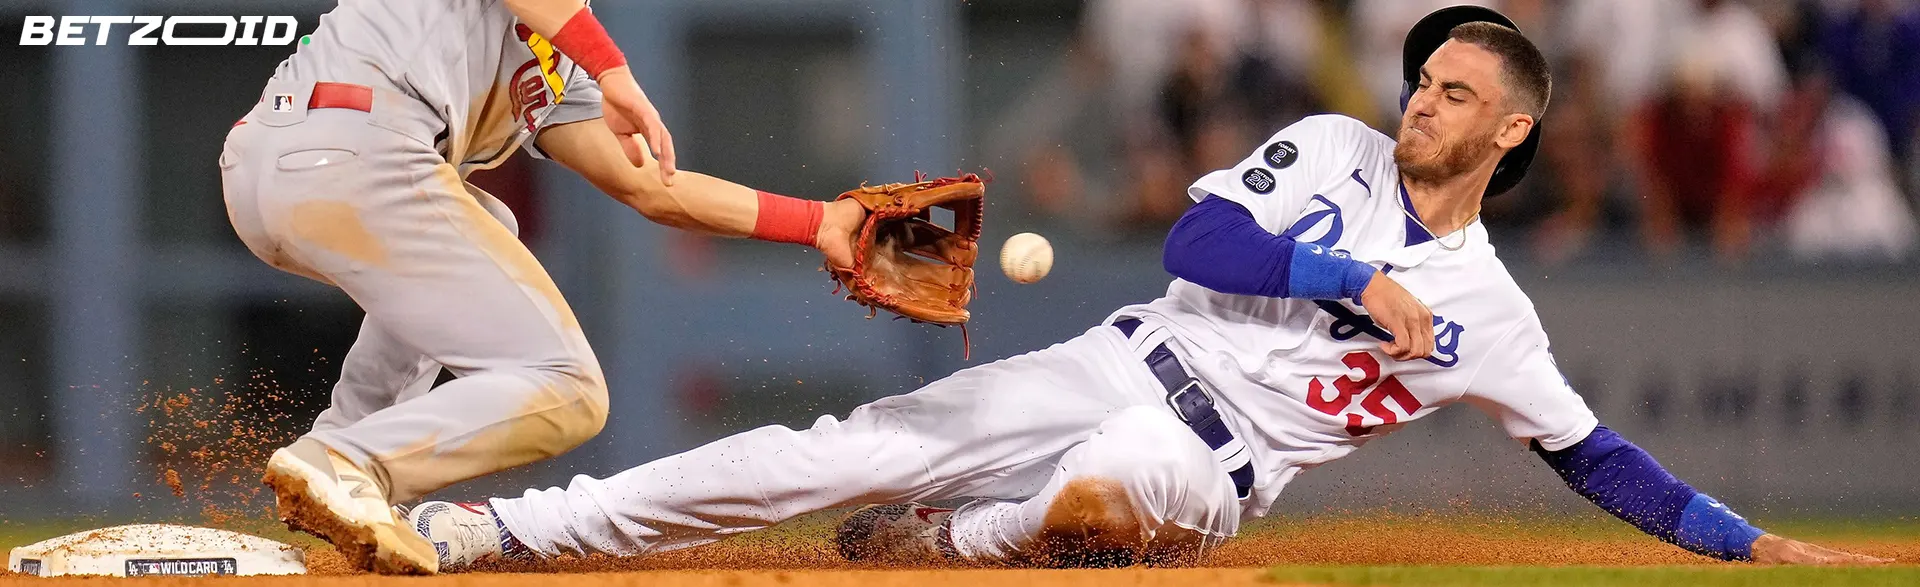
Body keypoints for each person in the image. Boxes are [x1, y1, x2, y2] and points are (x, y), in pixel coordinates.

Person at [402, 7, 1888, 571]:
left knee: (1101, 497)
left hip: (1207, 458)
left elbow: (1592, 452)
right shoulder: (1332, 150)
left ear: (1512, 131)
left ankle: (953, 540)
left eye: (1458, 92)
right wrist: (1349, 272)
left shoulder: (1496, 314)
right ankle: (501, 528)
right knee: (824, 448)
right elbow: (1200, 252)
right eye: (1424, 75)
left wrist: (1749, 543)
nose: (1423, 100)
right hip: (1115, 354)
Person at [221, 0, 866, 574]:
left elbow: (647, 186)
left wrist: (818, 223)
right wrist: (614, 69)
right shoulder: (574, 36)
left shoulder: (555, 50)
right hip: (355, 149)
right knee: (569, 387)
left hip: (278, 167)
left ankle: (345, 455)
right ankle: (346, 459)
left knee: (490, 222)